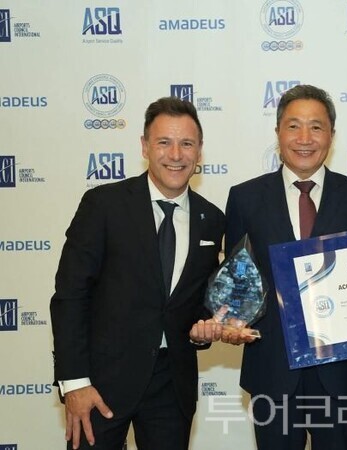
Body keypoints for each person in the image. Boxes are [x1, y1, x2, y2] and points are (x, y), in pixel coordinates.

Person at [50, 97, 226, 450]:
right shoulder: (104, 205)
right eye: (164, 142)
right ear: (145, 147)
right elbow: (70, 295)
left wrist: (203, 331)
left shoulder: (212, 219)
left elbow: (196, 305)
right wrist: (75, 382)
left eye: (186, 143)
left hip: (171, 388)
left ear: (199, 151)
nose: (175, 154)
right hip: (100, 384)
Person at [225, 84, 347, 450]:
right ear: (278, 131)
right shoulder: (244, 198)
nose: (305, 138)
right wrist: (232, 319)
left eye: (316, 126)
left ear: (331, 134)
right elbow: (236, 280)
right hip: (272, 371)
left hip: (340, 373)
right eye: (294, 126)